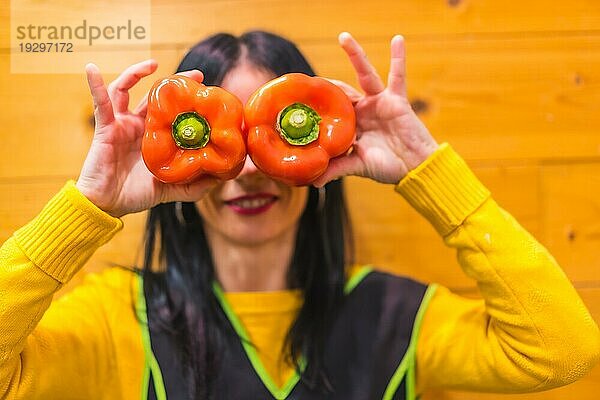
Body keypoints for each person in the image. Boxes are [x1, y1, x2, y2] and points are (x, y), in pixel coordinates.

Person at [0, 30, 598, 400]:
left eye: (266, 140)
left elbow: (564, 349)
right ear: (175, 156)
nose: (251, 170)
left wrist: (427, 169)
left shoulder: (397, 317)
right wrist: (89, 204)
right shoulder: (115, 320)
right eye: (223, 138)